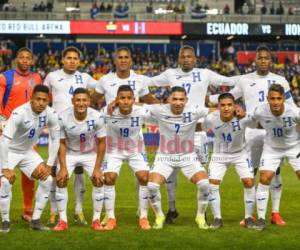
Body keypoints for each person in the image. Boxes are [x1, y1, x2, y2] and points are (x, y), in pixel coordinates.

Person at [209, 45, 295, 225]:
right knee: (251, 173)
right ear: (255, 60)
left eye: (266, 58)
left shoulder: (281, 80)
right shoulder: (245, 80)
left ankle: (275, 213)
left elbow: (291, 106)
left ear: (270, 61)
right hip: (252, 131)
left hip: (273, 133)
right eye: (260, 58)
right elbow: (230, 97)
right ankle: (251, 214)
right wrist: (208, 99)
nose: (263, 61)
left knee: (275, 173)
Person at [149, 45, 235, 223]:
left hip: (199, 134)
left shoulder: (205, 73)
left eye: (190, 56)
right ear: (179, 59)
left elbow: (228, 82)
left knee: (203, 176)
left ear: (195, 59)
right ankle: (172, 209)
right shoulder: (170, 73)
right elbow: (148, 83)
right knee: (170, 177)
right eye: (183, 56)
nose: (186, 59)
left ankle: (202, 213)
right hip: (174, 135)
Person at [44, 46, 98, 225]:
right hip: (57, 130)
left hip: (79, 130)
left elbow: (102, 90)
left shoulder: (85, 77)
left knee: (79, 170)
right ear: (62, 59)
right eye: (69, 58)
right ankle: (53, 211)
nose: (72, 61)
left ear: (79, 61)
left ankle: (78, 210)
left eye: (76, 58)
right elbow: (42, 98)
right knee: (54, 172)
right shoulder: (52, 76)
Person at [147, 86, 214, 229]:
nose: (178, 102)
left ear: (186, 100)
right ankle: (159, 216)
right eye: (174, 99)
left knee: (204, 184)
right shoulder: (159, 109)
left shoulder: (194, 110)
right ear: (169, 99)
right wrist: (115, 102)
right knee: (152, 186)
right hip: (164, 157)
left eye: (181, 99)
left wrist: (234, 110)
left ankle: (200, 216)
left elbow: (213, 111)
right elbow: (138, 106)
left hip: (188, 156)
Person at [0, 85, 60, 233]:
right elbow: (4, 141)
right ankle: (5, 221)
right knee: (5, 182)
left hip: (27, 152)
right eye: (38, 99)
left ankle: (35, 220)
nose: (41, 103)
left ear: (48, 101)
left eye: (44, 100)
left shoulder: (51, 113)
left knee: (48, 179)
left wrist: (49, 165)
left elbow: (56, 138)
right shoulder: (19, 113)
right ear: (31, 99)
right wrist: (5, 167)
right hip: (9, 151)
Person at [53, 88, 106, 231]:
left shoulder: (97, 116)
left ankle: (96, 220)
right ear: (72, 101)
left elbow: (102, 142)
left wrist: (97, 168)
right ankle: (62, 220)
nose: (81, 103)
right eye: (78, 100)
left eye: (84, 100)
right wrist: (63, 167)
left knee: (99, 180)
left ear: (89, 101)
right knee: (61, 180)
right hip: (70, 153)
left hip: (89, 153)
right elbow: (61, 143)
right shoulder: (63, 117)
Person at [101, 85, 152, 230]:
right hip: (113, 150)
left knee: (144, 178)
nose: (125, 101)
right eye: (122, 98)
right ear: (117, 99)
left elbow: (160, 112)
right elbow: (90, 117)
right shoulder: (107, 112)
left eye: (129, 98)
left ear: (134, 100)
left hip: (135, 150)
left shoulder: (141, 111)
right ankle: (111, 218)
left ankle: (143, 217)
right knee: (109, 178)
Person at [0, 47, 42, 222]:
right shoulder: (5, 77)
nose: (25, 60)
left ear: (32, 61)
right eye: (22, 57)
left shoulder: (37, 78)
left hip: (28, 132)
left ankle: (27, 209)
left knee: (29, 172)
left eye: (28, 58)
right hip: (8, 130)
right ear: (16, 59)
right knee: (3, 172)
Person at [202, 93, 256, 229]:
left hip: (240, 154)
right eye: (223, 105)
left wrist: (246, 113)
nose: (226, 108)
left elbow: (257, 123)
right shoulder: (211, 119)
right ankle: (217, 218)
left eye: (229, 105)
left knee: (249, 182)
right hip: (219, 155)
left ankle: (249, 217)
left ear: (234, 106)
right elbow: (200, 128)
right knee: (213, 183)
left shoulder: (243, 118)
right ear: (218, 107)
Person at [251, 84, 300, 230]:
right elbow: (248, 119)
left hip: (294, 148)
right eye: (272, 98)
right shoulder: (260, 110)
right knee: (265, 178)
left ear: (283, 99)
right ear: (267, 99)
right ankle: (260, 219)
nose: (276, 102)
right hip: (271, 149)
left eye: (279, 98)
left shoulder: (294, 112)